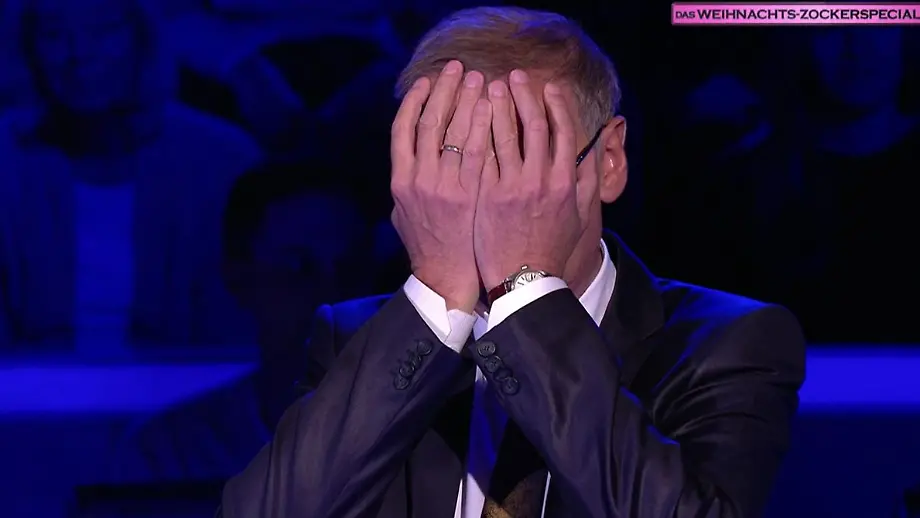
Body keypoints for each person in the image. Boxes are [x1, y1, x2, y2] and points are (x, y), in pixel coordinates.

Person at [219, 7, 806, 517]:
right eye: (451, 161)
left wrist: (524, 293)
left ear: (607, 161)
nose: (490, 196)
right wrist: (437, 292)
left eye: (523, 161)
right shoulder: (361, 339)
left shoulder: (726, 344)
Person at [0, 0, 261, 351]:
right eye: (54, 34)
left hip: (190, 381)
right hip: (28, 383)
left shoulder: (224, 159)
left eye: (105, 30)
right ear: (27, 48)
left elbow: (234, 328)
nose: (79, 53)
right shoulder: (7, 158)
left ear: (144, 37)